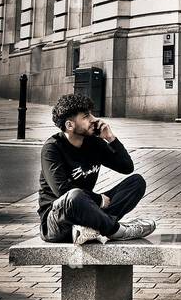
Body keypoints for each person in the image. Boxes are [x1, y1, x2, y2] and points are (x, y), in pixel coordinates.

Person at [38, 93, 155, 245]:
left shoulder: (93, 143)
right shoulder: (52, 149)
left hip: (88, 210)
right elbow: (62, 190)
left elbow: (126, 167)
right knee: (74, 196)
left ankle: (93, 227)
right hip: (58, 220)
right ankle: (117, 231)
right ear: (70, 125)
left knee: (136, 182)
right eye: (86, 116)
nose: (93, 119)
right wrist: (98, 199)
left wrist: (110, 138)